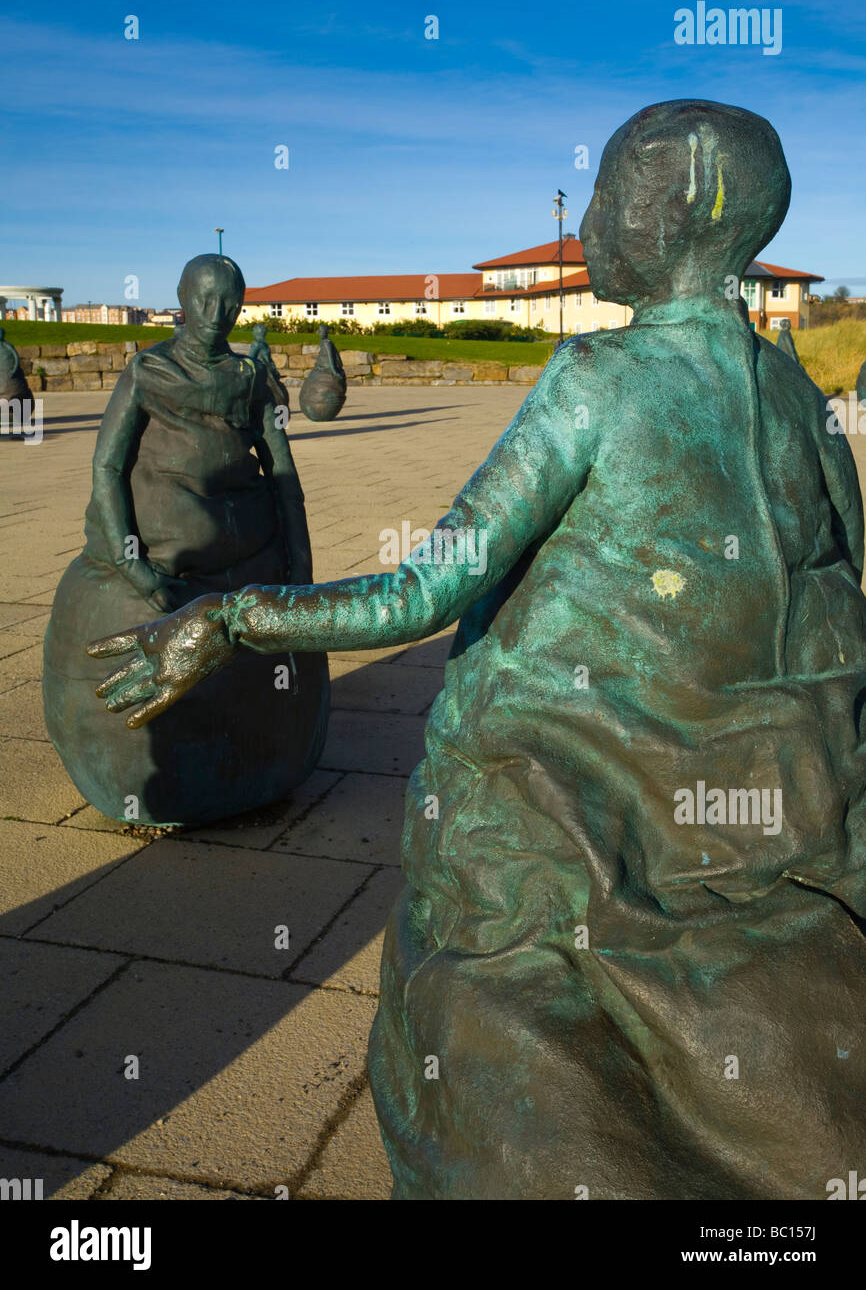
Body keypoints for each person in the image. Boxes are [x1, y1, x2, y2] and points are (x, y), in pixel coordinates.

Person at [88, 102, 866, 1197]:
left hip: (567, 787)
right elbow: (838, 599)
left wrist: (230, 617)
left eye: (606, 194)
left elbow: (425, 585)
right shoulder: (797, 395)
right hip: (754, 800)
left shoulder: (592, 385)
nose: (589, 217)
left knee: (497, 972)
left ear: (665, 221)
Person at [45, 254, 327, 825]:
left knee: (265, 661)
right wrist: (132, 565)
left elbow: (283, 479)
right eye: (202, 299)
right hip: (160, 564)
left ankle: (262, 760)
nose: (215, 313)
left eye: (228, 302)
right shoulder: (148, 372)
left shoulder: (252, 379)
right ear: (181, 297)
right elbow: (107, 469)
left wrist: (300, 569)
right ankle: (147, 783)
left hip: (248, 553)